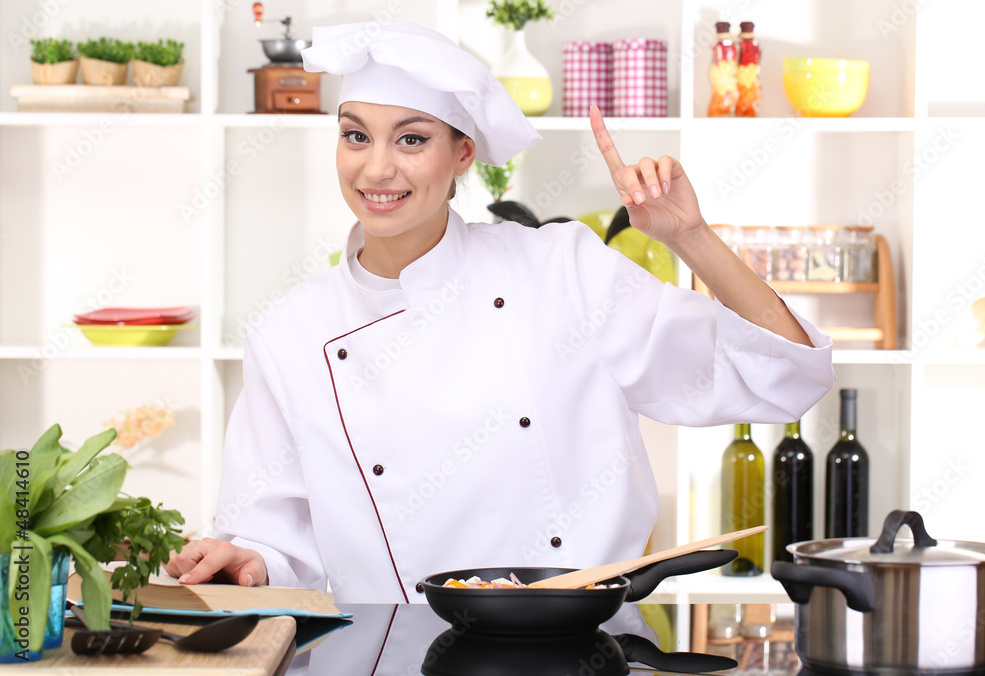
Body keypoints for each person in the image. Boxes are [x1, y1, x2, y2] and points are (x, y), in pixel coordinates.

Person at [166, 21, 834, 603]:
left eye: (410, 139)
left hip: (585, 644)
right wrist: (247, 559)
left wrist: (693, 238)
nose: (375, 169)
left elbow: (783, 377)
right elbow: (276, 544)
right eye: (354, 136)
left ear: (462, 154)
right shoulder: (289, 333)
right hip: (399, 653)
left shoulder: (561, 271)